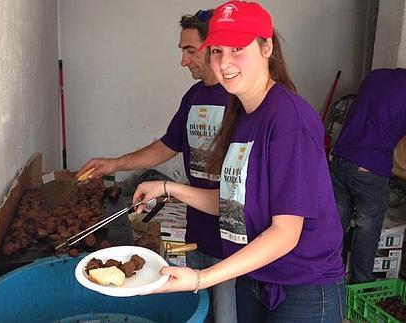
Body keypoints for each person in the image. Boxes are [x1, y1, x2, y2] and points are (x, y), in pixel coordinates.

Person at [132, 1, 345, 322]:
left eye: (237, 49)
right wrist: (166, 187)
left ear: (267, 47)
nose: (224, 62)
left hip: (301, 287)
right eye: (217, 50)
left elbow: (286, 233)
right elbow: (236, 204)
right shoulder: (242, 115)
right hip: (256, 278)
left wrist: (202, 278)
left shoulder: (289, 119)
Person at [75, 10, 237, 323]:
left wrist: (167, 188)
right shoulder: (193, 96)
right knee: (201, 310)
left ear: (215, 48)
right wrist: (115, 163)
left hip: (233, 238)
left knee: (228, 314)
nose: (184, 61)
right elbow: (167, 145)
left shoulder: (239, 99)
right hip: (199, 230)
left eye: (190, 50)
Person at [329, 52, 406, 283]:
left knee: (335, 227)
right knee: (366, 231)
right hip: (370, 171)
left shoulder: (376, 76)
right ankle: (361, 287)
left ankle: (329, 281)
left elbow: (378, 114)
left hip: (340, 160)